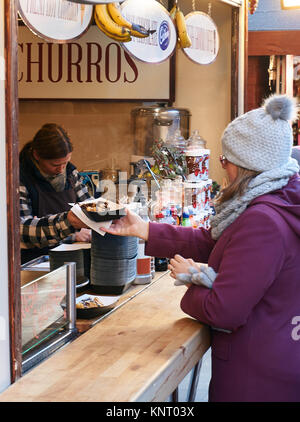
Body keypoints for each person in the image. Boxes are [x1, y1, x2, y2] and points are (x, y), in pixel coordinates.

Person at [89, 94, 300, 402]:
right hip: (278, 359)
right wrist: (142, 229)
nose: (221, 168)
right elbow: (213, 242)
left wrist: (194, 281)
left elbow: (224, 310)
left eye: (226, 161)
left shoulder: (263, 220)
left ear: (247, 166)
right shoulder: (278, 200)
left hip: (257, 376)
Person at [20, 123, 91, 264]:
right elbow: (22, 232)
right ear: (37, 155)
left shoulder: (70, 173)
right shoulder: (20, 179)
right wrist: (72, 234)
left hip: (70, 258)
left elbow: (89, 206)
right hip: (34, 262)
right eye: (55, 165)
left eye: (65, 163)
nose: (61, 169)